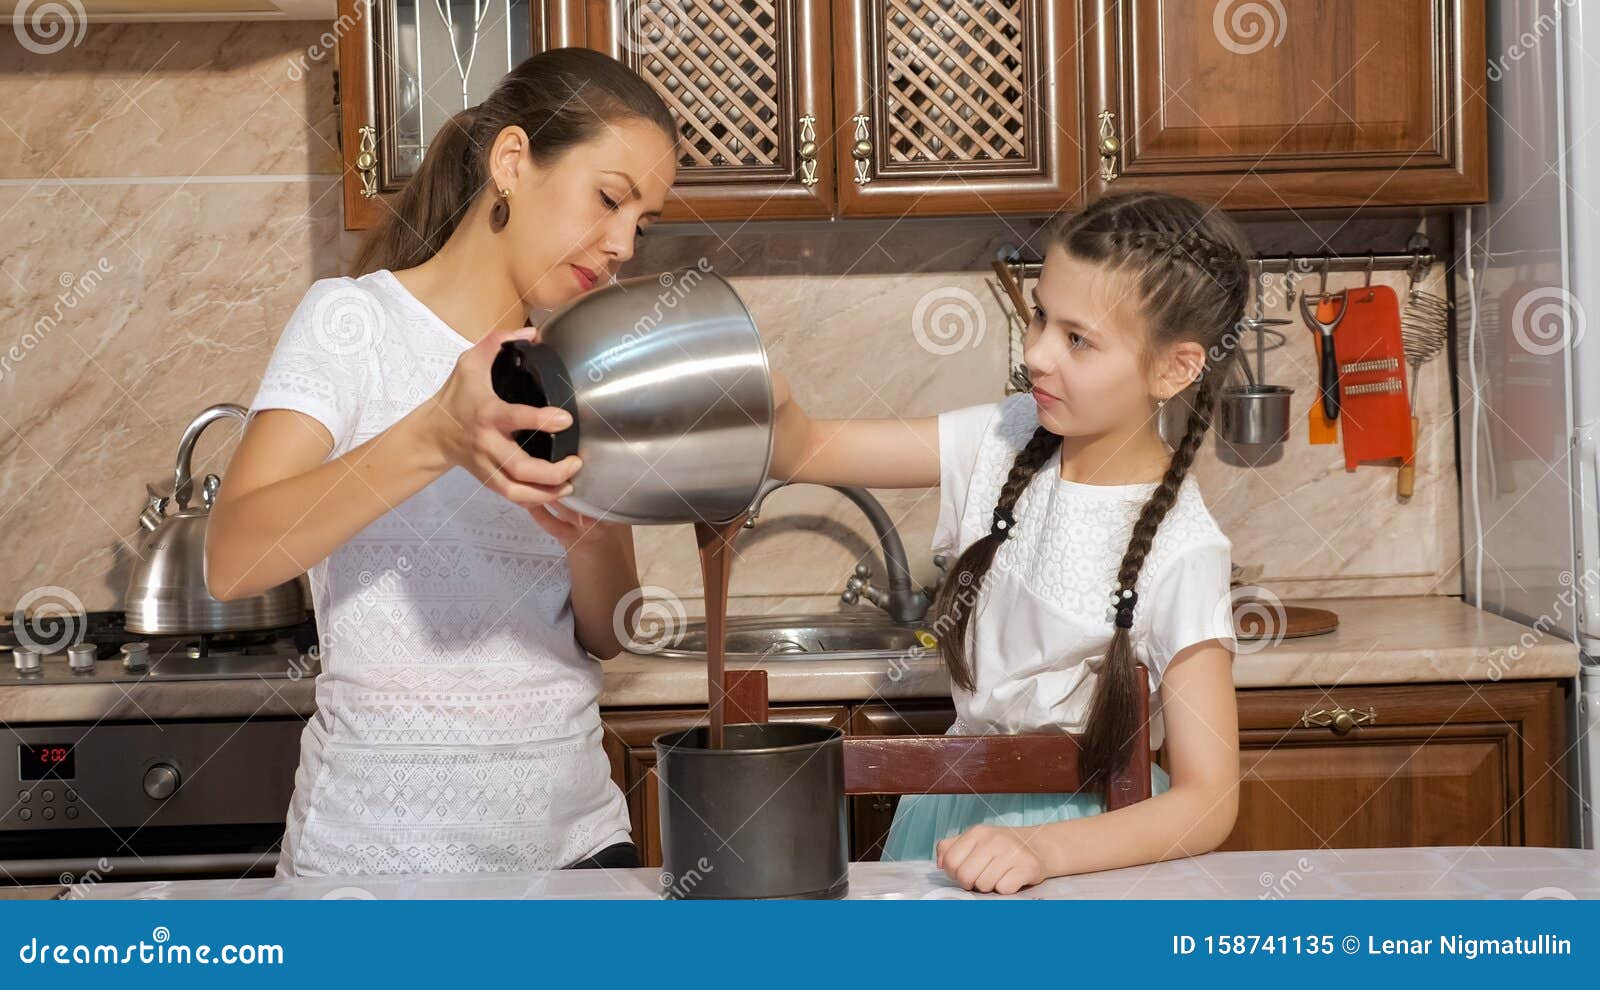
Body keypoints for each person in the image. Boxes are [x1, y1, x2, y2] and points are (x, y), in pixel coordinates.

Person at [206, 48, 679, 876]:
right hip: (374, 860)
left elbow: (607, 632)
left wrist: (593, 527)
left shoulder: (576, 363)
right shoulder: (352, 322)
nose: (621, 246)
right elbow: (234, 558)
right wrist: (433, 436)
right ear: (511, 163)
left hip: (573, 847)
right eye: (609, 199)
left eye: (641, 223)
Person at [769, 191, 1245, 894]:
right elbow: (803, 451)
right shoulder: (1006, 435)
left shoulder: (1184, 548)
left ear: (1174, 369)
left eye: (1077, 339)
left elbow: (1208, 801)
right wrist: (756, 386)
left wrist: (1043, 851)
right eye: (1041, 318)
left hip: (1084, 845)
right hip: (948, 822)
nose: (1038, 354)